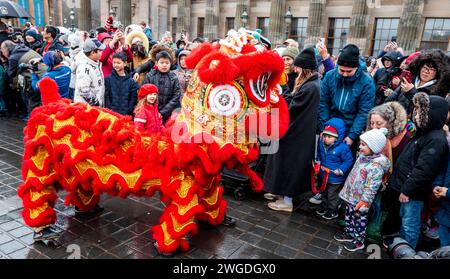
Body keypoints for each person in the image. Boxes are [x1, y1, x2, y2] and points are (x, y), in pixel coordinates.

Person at [382, 93, 449, 249]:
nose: (416, 114)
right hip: (404, 187)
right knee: (401, 220)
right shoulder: (424, 132)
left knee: (409, 224)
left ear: (430, 115)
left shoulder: (436, 140)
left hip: (413, 193)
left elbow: (423, 170)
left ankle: (407, 251)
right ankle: (398, 248)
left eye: (420, 112)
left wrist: (407, 190)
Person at [263, 48, 320, 212]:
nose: (295, 69)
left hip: (296, 135)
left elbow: (292, 107)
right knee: (284, 164)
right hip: (295, 132)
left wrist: (282, 93)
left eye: (298, 66)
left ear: (304, 68)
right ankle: (280, 194)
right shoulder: (311, 84)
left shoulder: (311, 87)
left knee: (289, 167)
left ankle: (286, 201)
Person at [335, 128, 391, 252]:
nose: (360, 147)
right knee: (349, 215)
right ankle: (350, 234)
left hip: (361, 200)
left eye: (364, 145)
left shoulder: (376, 166)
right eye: (361, 144)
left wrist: (365, 201)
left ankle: (359, 240)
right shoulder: (363, 157)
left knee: (359, 220)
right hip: (352, 195)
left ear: (374, 147)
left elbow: (372, 187)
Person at [319, 44, 375, 151]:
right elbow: (323, 103)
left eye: (349, 71)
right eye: (341, 70)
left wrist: (352, 135)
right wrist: (324, 127)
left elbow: (364, 111)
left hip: (350, 130)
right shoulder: (330, 76)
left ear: (356, 68)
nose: (344, 74)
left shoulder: (366, 82)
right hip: (330, 127)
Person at [385, 49, 450, 117]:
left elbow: (427, 110)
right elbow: (390, 99)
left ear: (438, 73)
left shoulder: (438, 90)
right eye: (425, 67)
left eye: (431, 69)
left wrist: (411, 92)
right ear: (420, 67)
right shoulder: (409, 80)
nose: (426, 71)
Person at [315, 118, 354, 220]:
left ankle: (333, 210)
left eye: (329, 137)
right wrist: (317, 163)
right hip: (324, 175)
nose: (326, 139)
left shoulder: (343, 148)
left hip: (335, 178)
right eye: (325, 136)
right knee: (323, 192)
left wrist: (341, 170)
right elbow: (319, 154)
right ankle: (324, 207)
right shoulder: (321, 144)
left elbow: (349, 161)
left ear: (337, 138)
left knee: (332, 195)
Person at [142, 50, 181, 123]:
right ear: (156, 63)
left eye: (167, 63)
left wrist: (163, 112)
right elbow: (143, 94)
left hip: (168, 113)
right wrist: (152, 111)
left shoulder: (173, 77)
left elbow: (176, 96)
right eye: (162, 62)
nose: (164, 65)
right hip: (151, 113)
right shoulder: (150, 76)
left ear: (170, 64)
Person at [433, 97, 450, 247]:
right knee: (444, 247)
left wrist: (448, 192)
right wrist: (437, 185)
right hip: (445, 212)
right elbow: (443, 167)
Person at [74, 38, 106, 107]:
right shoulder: (84, 67)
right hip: (87, 110)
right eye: (100, 51)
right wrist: (97, 103)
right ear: (92, 53)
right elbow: (83, 90)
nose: (102, 52)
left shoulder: (94, 62)